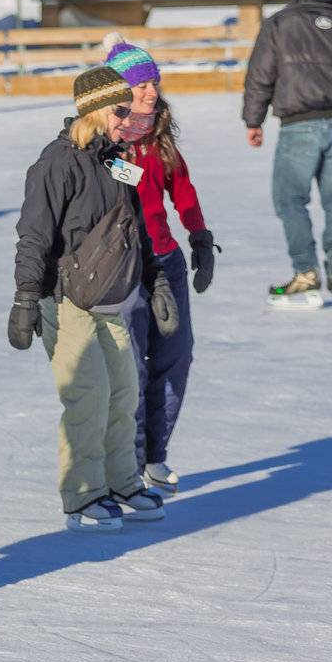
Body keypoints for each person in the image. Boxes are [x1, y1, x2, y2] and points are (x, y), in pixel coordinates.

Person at [9, 65, 175, 532]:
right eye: (120, 110)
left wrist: (156, 281)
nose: (129, 118)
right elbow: (33, 236)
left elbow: (136, 230)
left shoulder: (116, 162)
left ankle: (121, 481)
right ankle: (82, 496)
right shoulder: (56, 163)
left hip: (110, 299)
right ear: (94, 110)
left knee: (124, 391)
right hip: (64, 299)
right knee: (89, 395)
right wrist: (25, 298)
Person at [102, 35, 215, 496]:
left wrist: (200, 239)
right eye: (141, 83)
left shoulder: (160, 137)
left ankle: (154, 455)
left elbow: (182, 189)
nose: (152, 91)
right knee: (132, 370)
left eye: (154, 81)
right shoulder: (103, 142)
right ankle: (125, 465)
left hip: (165, 260)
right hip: (124, 267)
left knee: (176, 357)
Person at [243, 0, 332, 309]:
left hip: (300, 123)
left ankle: (307, 272)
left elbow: (261, 73)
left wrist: (253, 120)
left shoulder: (280, 23)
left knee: (290, 199)